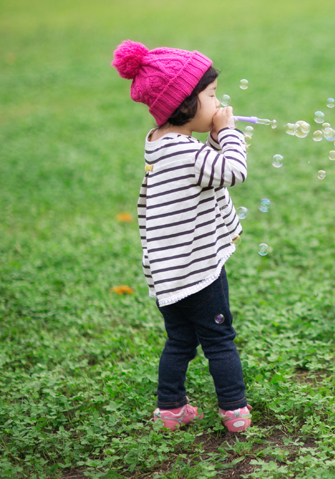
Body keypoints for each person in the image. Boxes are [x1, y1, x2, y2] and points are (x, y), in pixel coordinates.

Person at [111, 40, 252, 432]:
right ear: (185, 104)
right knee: (220, 338)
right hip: (198, 270)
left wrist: (213, 135)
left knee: (180, 341)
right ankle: (235, 409)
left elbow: (203, 172)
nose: (218, 102)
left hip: (167, 274)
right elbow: (233, 171)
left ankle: (171, 409)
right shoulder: (187, 154)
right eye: (210, 95)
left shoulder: (161, 142)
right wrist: (227, 133)